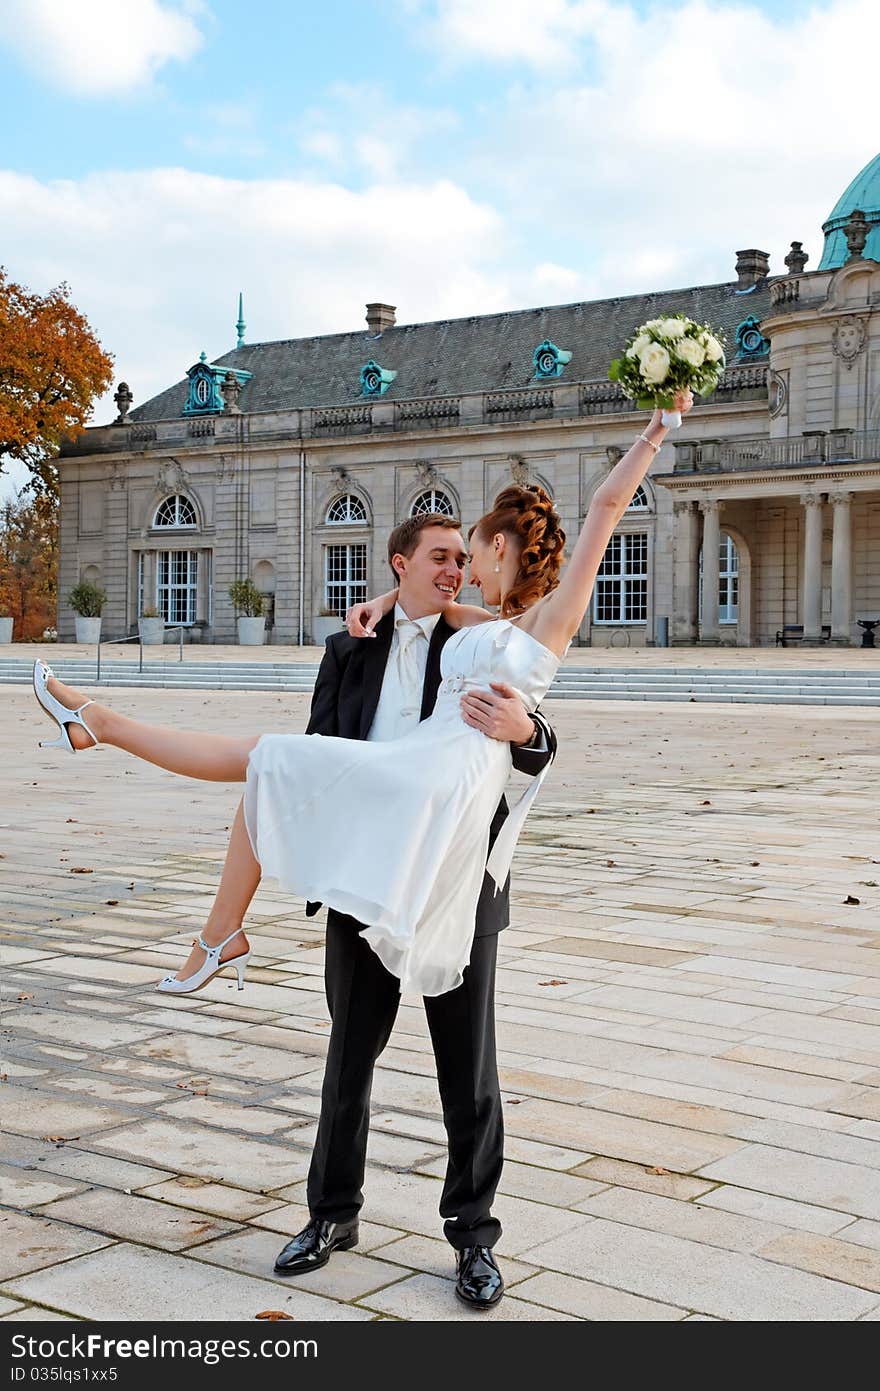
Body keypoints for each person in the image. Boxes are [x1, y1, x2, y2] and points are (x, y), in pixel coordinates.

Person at [31, 391, 692, 1306]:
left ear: (497, 550)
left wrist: (654, 433)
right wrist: (383, 595)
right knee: (341, 1019)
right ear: (414, 565)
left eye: (470, 551)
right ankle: (328, 1205)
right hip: (387, 822)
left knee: (468, 1070)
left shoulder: (532, 628)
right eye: (441, 558)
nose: (456, 568)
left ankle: (473, 1236)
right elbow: (422, 610)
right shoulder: (420, 630)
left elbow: (606, 515)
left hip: (439, 828)